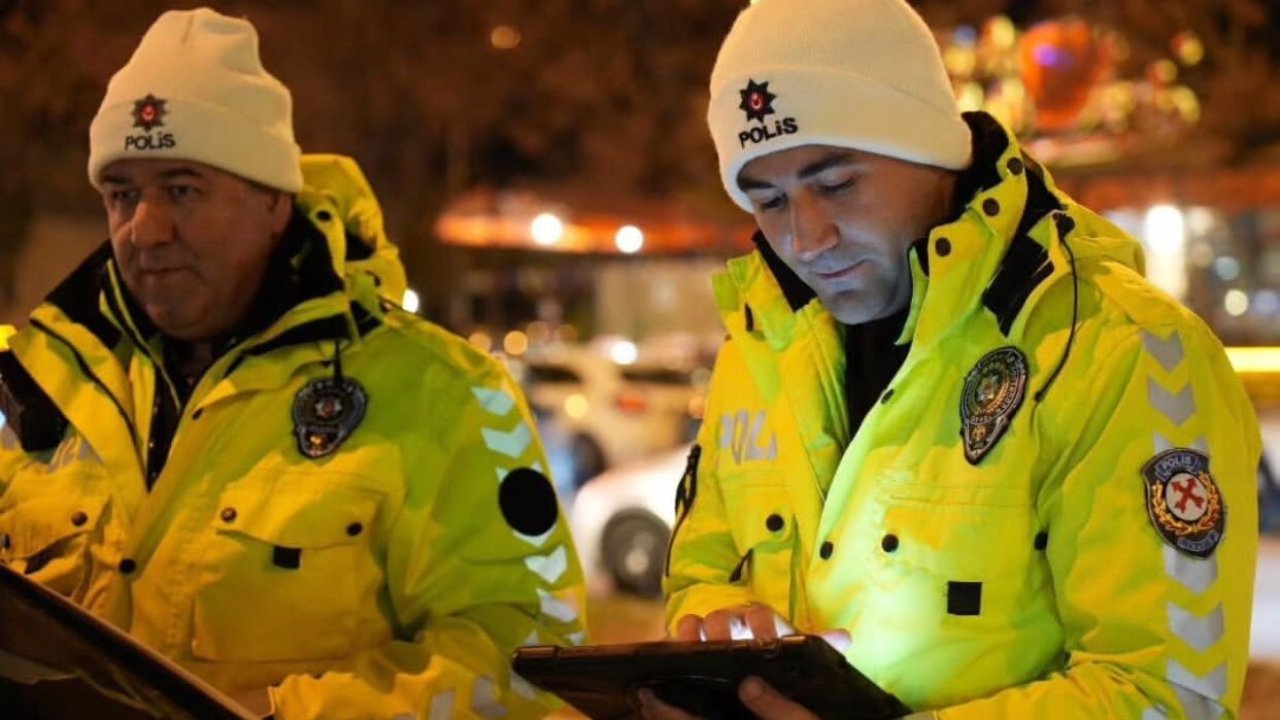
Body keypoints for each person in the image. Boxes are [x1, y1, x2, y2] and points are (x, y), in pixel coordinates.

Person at [654, 0, 1261, 718]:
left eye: (838, 184)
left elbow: (1169, 695)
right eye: (769, 201)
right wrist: (718, 623)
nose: (807, 237)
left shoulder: (1122, 347)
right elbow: (698, 575)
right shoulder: (758, 342)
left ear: (932, 149)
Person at [0, 8, 584, 719]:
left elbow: (526, 656)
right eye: (122, 195)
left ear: (275, 201)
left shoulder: (447, 395)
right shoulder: (38, 386)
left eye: (183, 190)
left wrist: (281, 715)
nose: (145, 230)